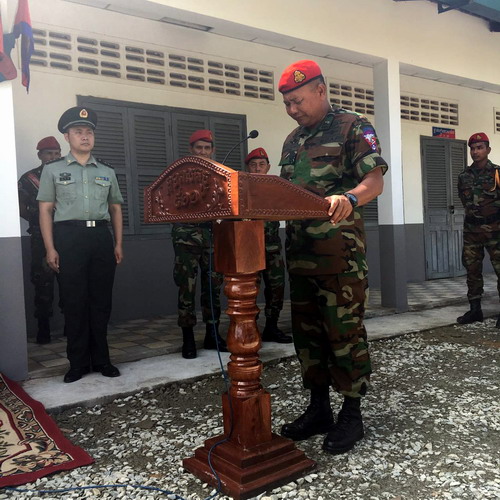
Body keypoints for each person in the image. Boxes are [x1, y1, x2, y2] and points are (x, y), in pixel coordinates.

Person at [277, 60, 388, 455]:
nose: (293, 109)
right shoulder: (293, 140)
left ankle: (352, 414)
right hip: (301, 256)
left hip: (340, 258)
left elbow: (374, 180)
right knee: (308, 337)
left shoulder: (352, 127)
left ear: (320, 90)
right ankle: (319, 409)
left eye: (298, 101)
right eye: (287, 104)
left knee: (344, 335)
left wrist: (351, 198)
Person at [37, 106, 124, 383]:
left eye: (89, 132)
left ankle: (102, 360)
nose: (85, 136)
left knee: (101, 302)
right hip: (68, 238)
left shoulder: (107, 171)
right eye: (78, 132)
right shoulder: (53, 170)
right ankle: (77, 363)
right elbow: (45, 210)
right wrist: (50, 248)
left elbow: (115, 209)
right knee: (74, 302)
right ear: (67, 137)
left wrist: (118, 243)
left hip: (100, 238)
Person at [172, 129, 227, 359]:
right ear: (191, 150)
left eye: (207, 148)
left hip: (211, 236)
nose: (203, 152)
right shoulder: (179, 174)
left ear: (213, 150)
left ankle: (212, 334)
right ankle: (188, 337)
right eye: (199, 148)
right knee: (187, 287)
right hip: (186, 236)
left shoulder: (221, 175)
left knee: (212, 287)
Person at [244, 147, 292, 344]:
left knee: (276, 288)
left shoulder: (275, 189)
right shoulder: (241, 190)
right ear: (248, 168)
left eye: (261, 165)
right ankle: (250, 329)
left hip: (272, 248)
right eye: (253, 165)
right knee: (250, 290)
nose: (257, 169)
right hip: (249, 249)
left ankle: (272, 327)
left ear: (268, 167)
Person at [18, 137, 62, 344]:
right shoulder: (29, 179)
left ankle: (71, 326)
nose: (53, 157)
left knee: (70, 280)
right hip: (40, 238)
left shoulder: (67, 175)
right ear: (40, 155)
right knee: (42, 282)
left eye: (57, 153)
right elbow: (20, 207)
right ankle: (43, 328)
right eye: (49, 153)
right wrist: (37, 220)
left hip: (66, 235)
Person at [457, 132, 500, 327]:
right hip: (471, 231)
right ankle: (475, 310)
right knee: (472, 270)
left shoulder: (497, 173)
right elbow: (464, 200)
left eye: (480, 147)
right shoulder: (463, 176)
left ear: (488, 150)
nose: (475, 151)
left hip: (495, 231)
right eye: (473, 148)